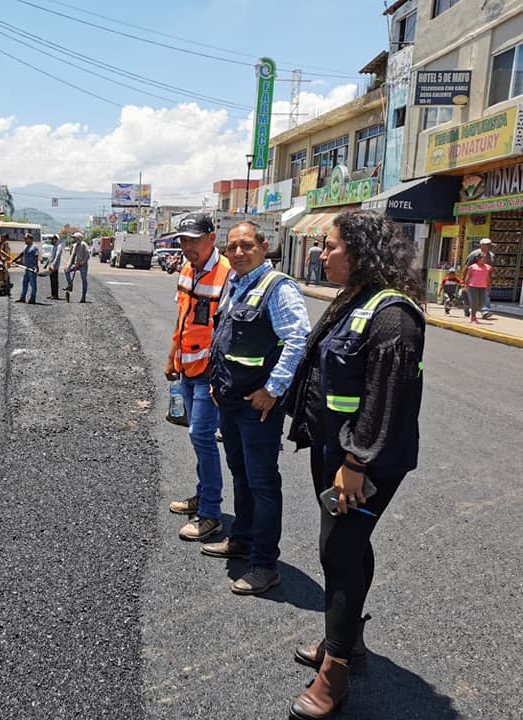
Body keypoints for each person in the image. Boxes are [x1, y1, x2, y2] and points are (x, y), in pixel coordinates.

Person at [283, 209, 425, 720]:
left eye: (331, 246)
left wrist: (356, 463)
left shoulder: (394, 315)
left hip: (363, 462)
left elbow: (386, 398)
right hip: (334, 450)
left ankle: (336, 670)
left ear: (361, 250)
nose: (322, 254)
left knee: (338, 553)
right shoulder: (354, 300)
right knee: (347, 547)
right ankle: (347, 641)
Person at [201, 221, 310, 595]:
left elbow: (297, 339)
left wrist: (273, 389)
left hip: (258, 406)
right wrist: (217, 383)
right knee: (240, 473)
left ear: (265, 247)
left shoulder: (277, 288)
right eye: (232, 247)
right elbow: (224, 339)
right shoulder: (236, 284)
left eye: (247, 245)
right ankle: (242, 539)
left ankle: (264, 564)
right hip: (230, 401)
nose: (238, 252)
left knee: (263, 482)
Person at [162, 212, 232, 542]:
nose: (188, 246)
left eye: (193, 240)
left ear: (211, 238)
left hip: (210, 371)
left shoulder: (227, 275)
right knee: (196, 437)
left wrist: (221, 376)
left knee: (202, 435)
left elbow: (230, 331)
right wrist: (171, 356)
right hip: (187, 368)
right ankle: (203, 495)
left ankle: (210, 513)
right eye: (183, 240)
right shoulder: (188, 269)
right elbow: (182, 319)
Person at [463, 238, 494, 319]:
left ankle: (485, 311)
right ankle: (470, 310)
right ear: (481, 245)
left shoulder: (492, 255)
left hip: (484, 282)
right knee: (472, 298)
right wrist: (463, 281)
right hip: (473, 282)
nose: (489, 246)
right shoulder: (474, 254)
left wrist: (490, 281)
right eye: (487, 245)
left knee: (483, 298)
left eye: (490, 245)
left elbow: (490, 269)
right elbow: (466, 268)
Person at [64, 231, 90, 302]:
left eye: (75, 238)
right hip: (77, 264)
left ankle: (83, 297)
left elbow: (87, 256)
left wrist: (81, 263)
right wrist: (68, 265)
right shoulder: (75, 245)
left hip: (83, 265)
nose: (74, 239)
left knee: (84, 280)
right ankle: (70, 284)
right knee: (66, 270)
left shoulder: (84, 245)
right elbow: (72, 255)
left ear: (79, 238)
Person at [14, 233, 39, 304]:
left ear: (30, 239)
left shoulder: (34, 247)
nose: (24, 240)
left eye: (26, 239)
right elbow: (21, 254)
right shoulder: (26, 247)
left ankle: (32, 299)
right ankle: (22, 298)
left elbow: (36, 257)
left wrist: (36, 267)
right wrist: (13, 261)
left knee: (33, 284)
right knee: (24, 283)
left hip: (32, 269)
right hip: (26, 268)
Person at [46, 233, 64, 299]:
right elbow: (50, 256)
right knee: (51, 281)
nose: (51, 241)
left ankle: (55, 295)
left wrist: (53, 264)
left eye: (52, 239)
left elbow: (57, 256)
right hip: (51, 266)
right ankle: (52, 294)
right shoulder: (54, 246)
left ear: (56, 240)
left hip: (55, 267)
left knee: (55, 281)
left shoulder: (59, 246)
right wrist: (46, 264)